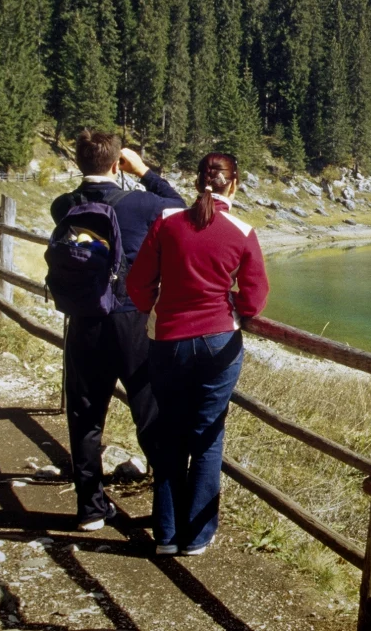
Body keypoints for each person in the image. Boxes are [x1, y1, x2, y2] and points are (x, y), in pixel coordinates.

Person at [127, 152, 268, 556]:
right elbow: (255, 298)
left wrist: (156, 308)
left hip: (168, 340)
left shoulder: (167, 222)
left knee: (170, 433)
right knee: (207, 436)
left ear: (196, 183)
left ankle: (167, 534)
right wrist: (233, 306)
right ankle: (198, 535)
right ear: (233, 184)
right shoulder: (242, 231)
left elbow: (138, 284)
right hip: (218, 342)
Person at [50, 130, 185, 531]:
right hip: (132, 319)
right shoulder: (143, 204)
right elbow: (179, 206)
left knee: (85, 414)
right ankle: (168, 510)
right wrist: (143, 171)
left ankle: (90, 508)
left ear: (79, 163)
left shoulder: (64, 205)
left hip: (85, 320)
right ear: (116, 164)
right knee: (149, 412)